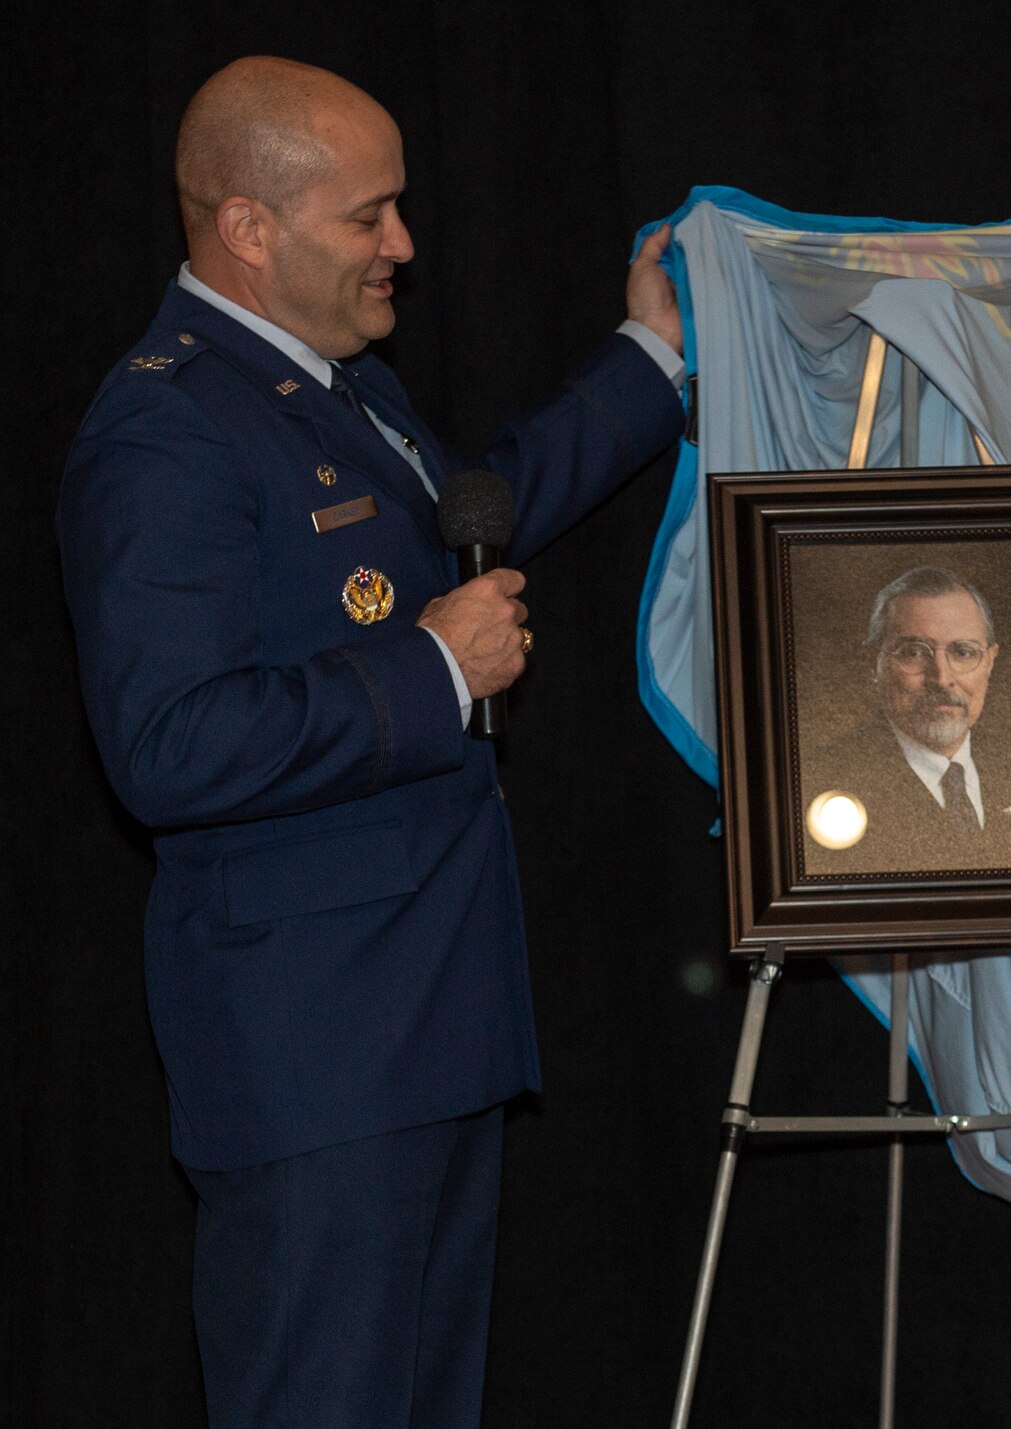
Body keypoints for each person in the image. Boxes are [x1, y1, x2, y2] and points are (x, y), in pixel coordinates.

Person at [58, 56, 685, 1427]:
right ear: (247, 227)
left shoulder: (332, 384)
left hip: (425, 1024)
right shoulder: (166, 429)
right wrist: (430, 671)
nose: (403, 245)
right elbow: (168, 743)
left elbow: (476, 505)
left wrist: (652, 362)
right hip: (314, 1061)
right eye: (369, 217)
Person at [803, 565, 1011, 874]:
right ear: (874, 664)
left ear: (989, 663)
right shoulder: (820, 780)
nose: (941, 678)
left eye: (963, 652)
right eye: (913, 652)